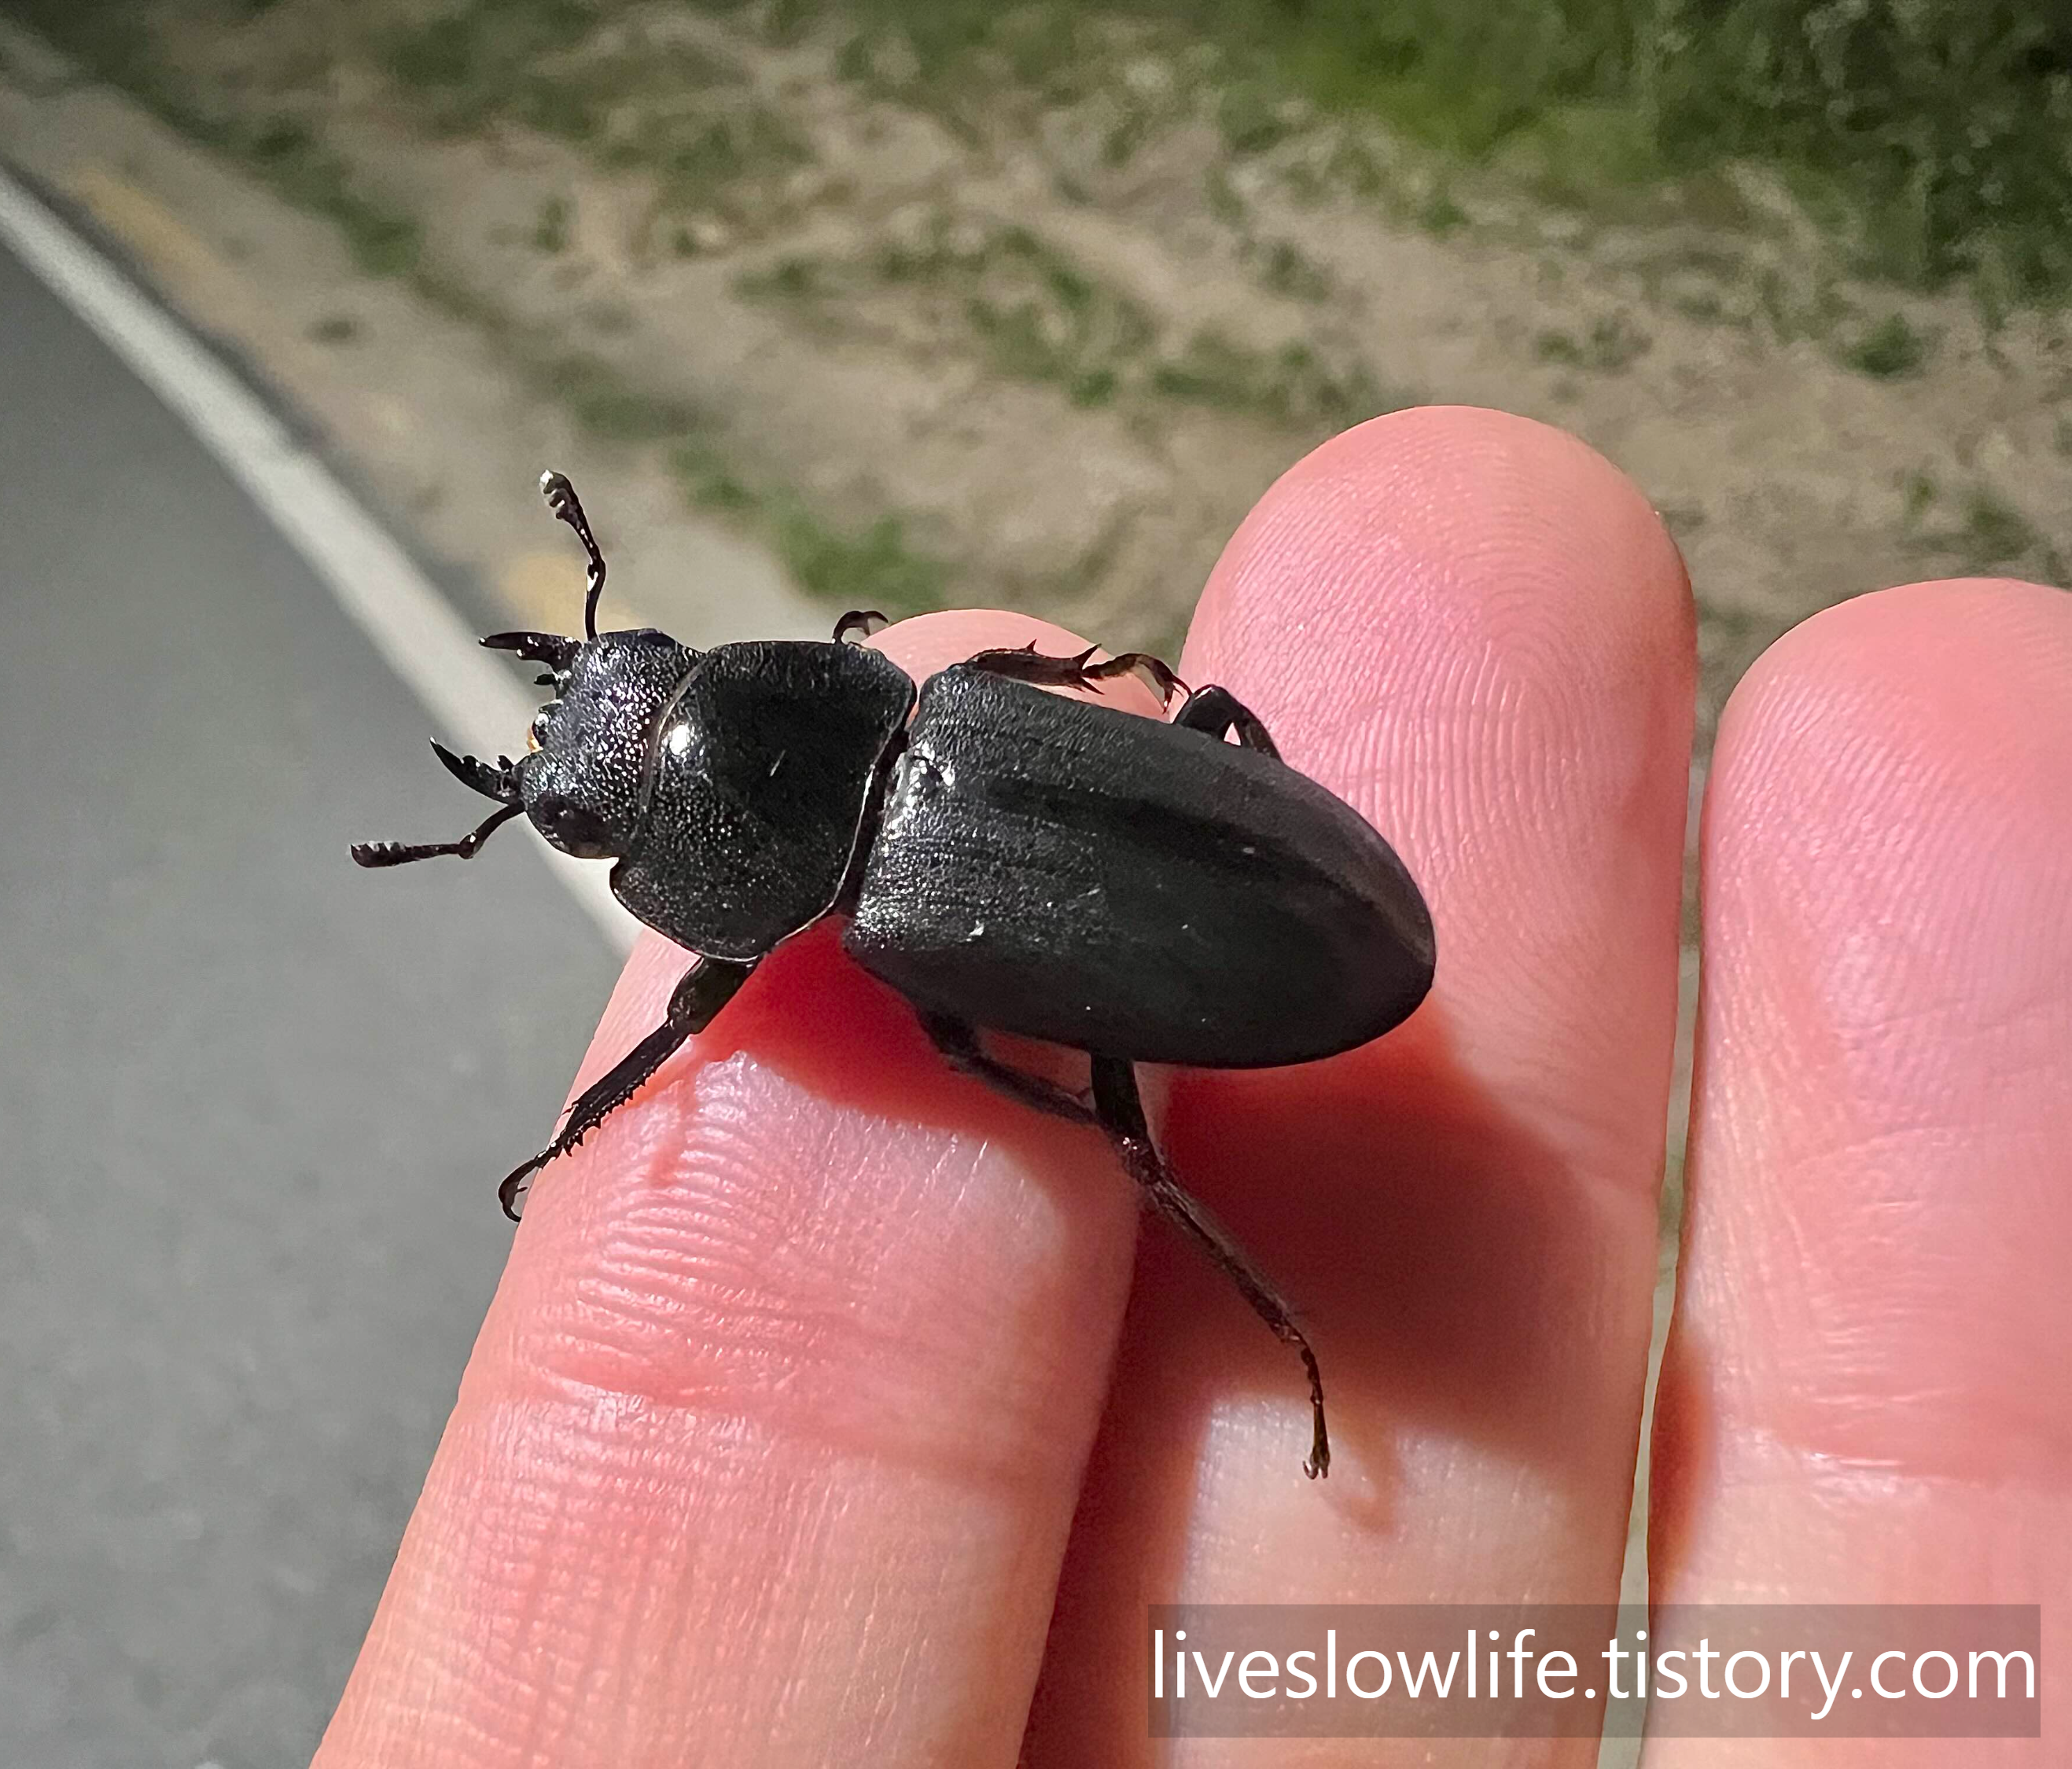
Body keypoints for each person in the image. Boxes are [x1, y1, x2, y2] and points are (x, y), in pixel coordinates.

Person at [314, 406, 2069, 1765]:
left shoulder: (894, 897)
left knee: (1114, 1136)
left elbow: (718, 1014)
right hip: (1229, 863)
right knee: (1191, 746)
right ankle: (1254, 1284)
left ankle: (1253, 1284)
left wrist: (582, 1135)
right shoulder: (942, 709)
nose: (600, 700)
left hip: (1240, 923)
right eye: (581, 774)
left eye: (624, 678)